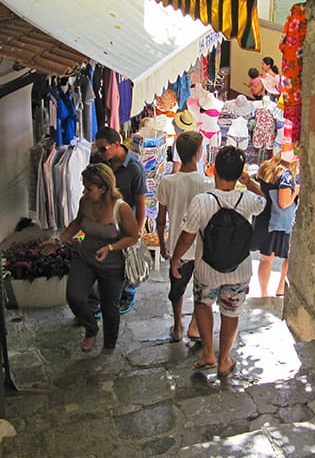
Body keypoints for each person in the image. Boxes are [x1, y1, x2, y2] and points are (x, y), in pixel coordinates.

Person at [170, 146, 266, 378]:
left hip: (207, 269)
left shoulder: (202, 201)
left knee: (203, 305)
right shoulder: (249, 200)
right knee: (231, 312)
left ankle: (208, 354)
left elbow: (187, 236)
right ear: (238, 174)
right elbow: (264, 201)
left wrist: (176, 258)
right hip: (239, 269)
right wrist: (250, 182)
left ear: (214, 171)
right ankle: (224, 360)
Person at [47, 163, 139, 354]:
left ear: (103, 188)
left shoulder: (121, 208)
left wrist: (111, 247)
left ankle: (109, 344)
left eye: (89, 188)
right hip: (86, 257)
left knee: (109, 307)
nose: (84, 191)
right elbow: (77, 223)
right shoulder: (85, 202)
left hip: (112, 265)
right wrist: (59, 240)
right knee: (74, 296)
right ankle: (91, 328)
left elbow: (133, 236)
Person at [156, 131, 213, 342]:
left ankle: (177, 325)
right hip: (200, 248)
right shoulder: (207, 183)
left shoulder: (167, 182)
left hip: (176, 247)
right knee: (202, 291)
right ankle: (194, 325)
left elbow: (161, 219)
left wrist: (162, 243)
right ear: (199, 153)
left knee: (177, 290)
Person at [91, 126, 147, 314]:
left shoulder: (134, 169)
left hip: (124, 225)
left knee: (124, 264)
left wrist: (137, 232)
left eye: (103, 149)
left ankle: (126, 295)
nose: (99, 153)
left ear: (116, 144)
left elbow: (140, 204)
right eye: (97, 149)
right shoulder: (99, 162)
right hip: (102, 223)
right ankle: (102, 300)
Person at [255, 151, 300, 297]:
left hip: (265, 218)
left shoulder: (265, 168)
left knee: (266, 258)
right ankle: (281, 288)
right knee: (289, 256)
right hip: (282, 223)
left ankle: (263, 293)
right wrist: (296, 192)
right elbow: (284, 202)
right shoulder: (286, 176)